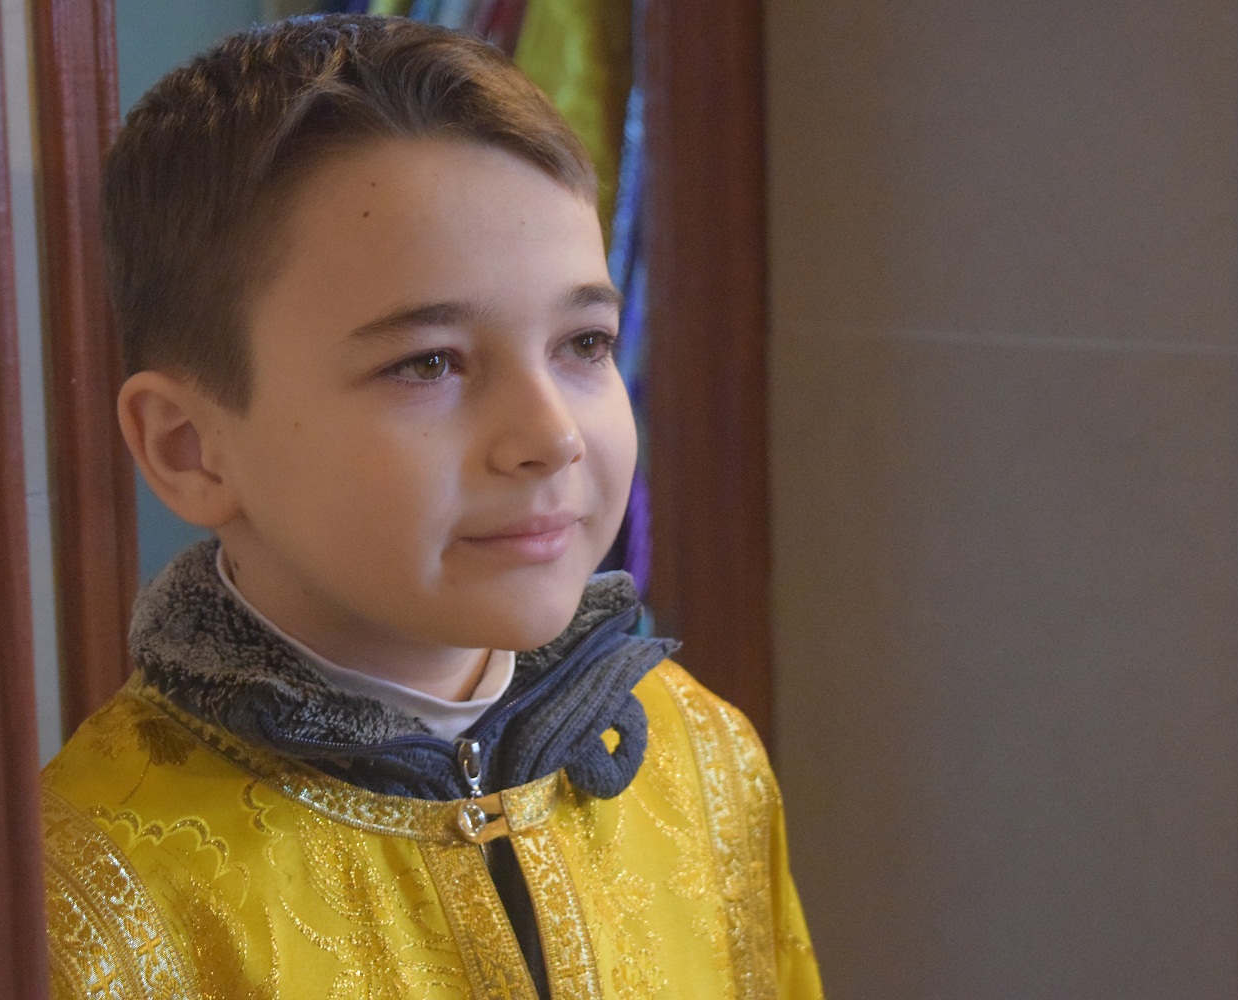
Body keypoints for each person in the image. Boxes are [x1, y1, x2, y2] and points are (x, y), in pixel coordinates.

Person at [40, 14, 820, 999]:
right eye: (430, 363)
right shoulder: (84, 907)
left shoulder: (705, 762)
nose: (551, 436)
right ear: (189, 448)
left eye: (583, 344)